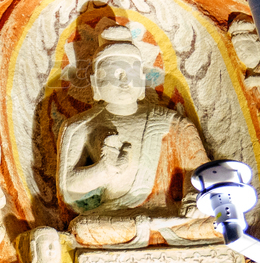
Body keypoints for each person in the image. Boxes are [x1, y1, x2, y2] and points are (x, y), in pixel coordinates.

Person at [57, 26, 216, 248]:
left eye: (131, 74)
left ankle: (155, 228)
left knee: (219, 224)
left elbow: (202, 173)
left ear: (142, 81)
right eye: (114, 73)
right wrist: (104, 170)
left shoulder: (173, 122)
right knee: (84, 228)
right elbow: (69, 192)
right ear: (95, 85)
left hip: (170, 213)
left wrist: (193, 199)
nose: (124, 80)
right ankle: (154, 228)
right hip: (116, 215)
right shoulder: (79, 126)